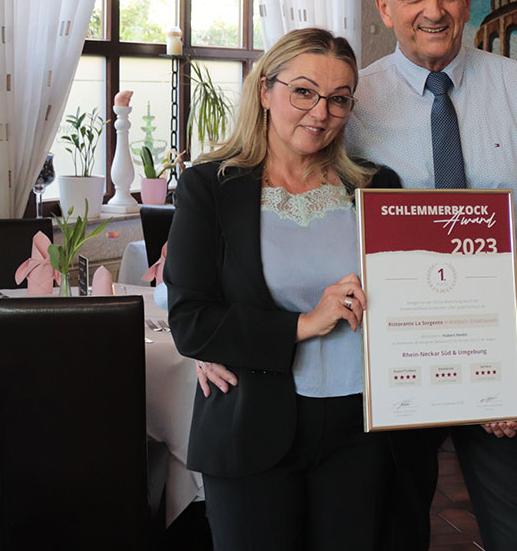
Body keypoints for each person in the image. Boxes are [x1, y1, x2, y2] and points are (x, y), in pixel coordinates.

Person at [345, 0, 517, 550]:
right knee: (392, 531)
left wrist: (502, 298)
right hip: (393, 355)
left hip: (500, 346)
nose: (433, 10)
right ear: (385, 7)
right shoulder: (354, 102)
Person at [165, 28, 400, 551]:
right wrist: (304, 324)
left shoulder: (376, 187)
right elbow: (191, 321)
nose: (320, 112)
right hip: (250, 423)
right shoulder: (210, 187)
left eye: (339, 99)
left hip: (360, 429)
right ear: (265, 91)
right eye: (303, 92)